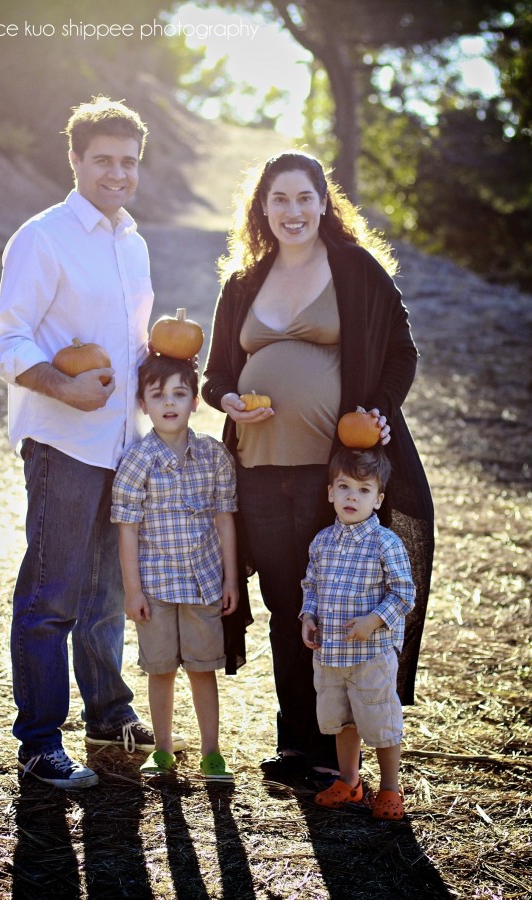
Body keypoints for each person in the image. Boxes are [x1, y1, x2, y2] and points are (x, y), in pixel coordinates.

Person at [201, 150, 434, 787]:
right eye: (279, 199)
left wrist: (378, 408)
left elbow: (402, 351)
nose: (293, 211)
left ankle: (339, 750)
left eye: (305, 197)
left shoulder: (354, 270)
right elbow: (215, 374)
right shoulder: (244, 281)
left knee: (337, 604)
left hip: (329, 479)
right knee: (287, 605)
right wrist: (225, 398)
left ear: (324, 203)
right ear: (262, 207)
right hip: (255, 469)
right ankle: (297, 744)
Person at [0, 96, 185, 789]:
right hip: (62, 441)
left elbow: (127, 347)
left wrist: (168, 368)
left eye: (128, 161)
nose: (117, 173)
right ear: (74, 159)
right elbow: (6, 339)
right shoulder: (42, 237)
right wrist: (62, 387)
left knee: (105, 594)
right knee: (51, 597)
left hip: (120, 444)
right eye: (103, 159)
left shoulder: (133, 242)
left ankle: (108, 713)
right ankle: (40, 742)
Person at [111, 353, 238, 780]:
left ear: (195, 401)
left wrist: (230, 578)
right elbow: (127, 530)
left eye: (180, 393)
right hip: (156, 587)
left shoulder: (214, 455)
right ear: (143, 404)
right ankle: (163, 749)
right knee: (160, 669)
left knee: (203, 668)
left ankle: (211, 751)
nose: (169, 402)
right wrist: (133, 590)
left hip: (204, 583)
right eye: (158, 395)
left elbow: (224, 519)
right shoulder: (137, 461)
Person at [300, 447, 415, 819]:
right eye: (344, 487)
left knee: (381, 721)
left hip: (371, 656)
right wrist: (308, 615)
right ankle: (350, 781)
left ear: (378, 499)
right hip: (330, 654)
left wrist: (374, 620)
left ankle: (390, 789)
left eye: (364, 490)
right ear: (330, 492)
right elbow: (311, 585)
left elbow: (404, 593)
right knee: (342, 721)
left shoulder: (385, 543)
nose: (352, 496)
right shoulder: (322, 541)